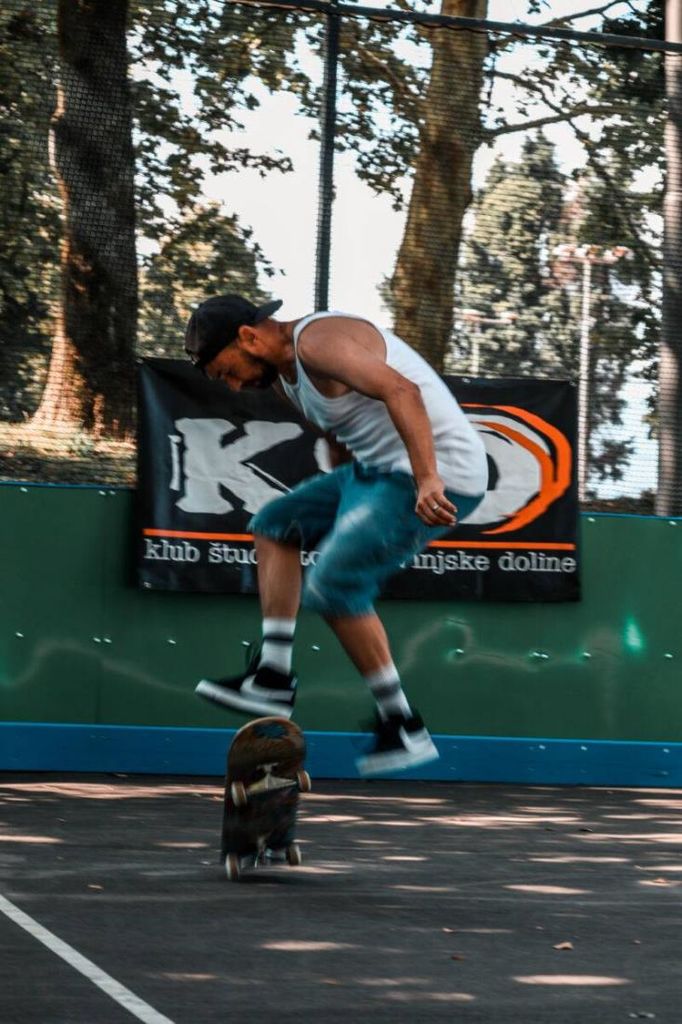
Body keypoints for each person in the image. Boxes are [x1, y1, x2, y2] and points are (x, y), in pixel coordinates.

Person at [184, 294, 488, 774]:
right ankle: (273, 676)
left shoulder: (318, 341)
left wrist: (429, 479)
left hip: (436, 473)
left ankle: (403, 724)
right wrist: (342, 493)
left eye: (228, 372)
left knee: (333, 586)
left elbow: (403, 390)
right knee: (274, 525)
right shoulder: (285, 377)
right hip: (374, 472)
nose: (235, 386)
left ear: (248, 337)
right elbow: (339, 429)